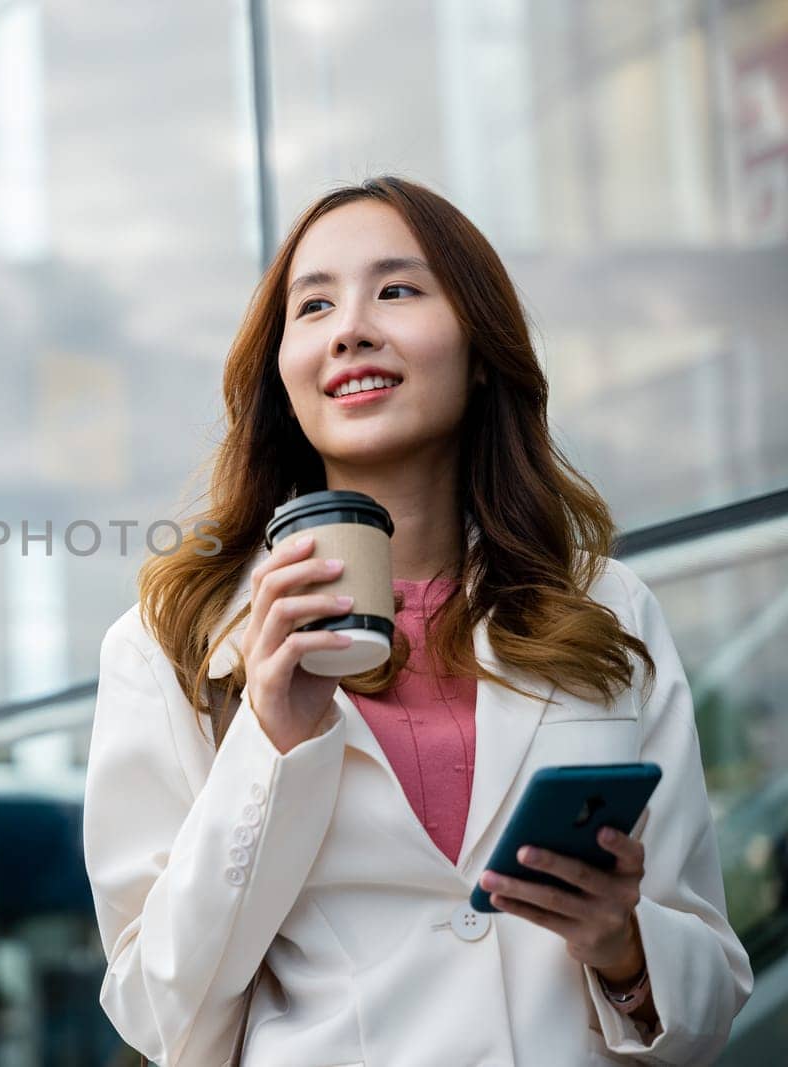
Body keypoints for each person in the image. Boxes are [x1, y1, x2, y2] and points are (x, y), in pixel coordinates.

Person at [81, 175, 753, 1065]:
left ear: (479, 351)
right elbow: (161, 1014)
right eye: (312, 305)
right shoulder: (171, 642)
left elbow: (710, 992)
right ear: (283, 374)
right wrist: (269, 742)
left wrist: (627, 950)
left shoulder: (605, 612)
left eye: (397, 290)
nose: (351, 327)